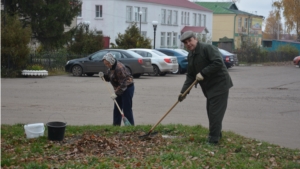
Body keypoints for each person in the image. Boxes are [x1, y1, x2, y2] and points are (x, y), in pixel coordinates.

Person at [178, 31, 233, 144]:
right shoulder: (191, 55)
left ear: (195, 39)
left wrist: (203, 73)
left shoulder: (207, 48)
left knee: (214, 113)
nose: (188, 44)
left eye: (190, 41)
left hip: (219, 84)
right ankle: (217, 134)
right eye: (185, 42)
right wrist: (183, 92)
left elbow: (218, 62)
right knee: (212, 112)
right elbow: (190, 75)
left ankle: (213, 140)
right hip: (209, 88)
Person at [100, 53, 135, 126]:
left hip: (127, 88)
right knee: (117, 109)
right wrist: (103, 76)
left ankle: (130, 126)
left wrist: (115, 93)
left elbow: (124, 83)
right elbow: (109, 78)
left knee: (126, 109)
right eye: (105, 64)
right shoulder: (111, 68)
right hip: (119, 89)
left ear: (111, 61)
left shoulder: (119, 68)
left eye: (107, 63)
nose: (107, 65)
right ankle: (116, 125)